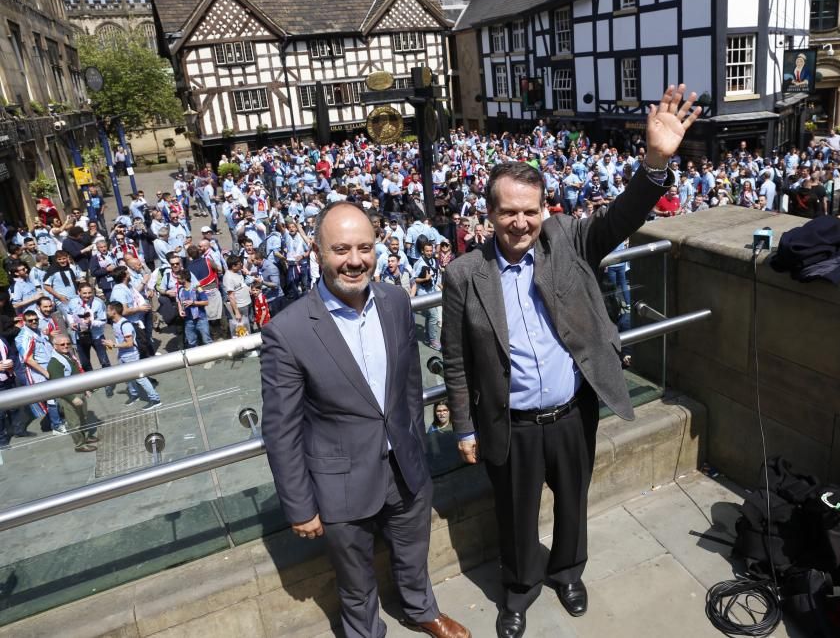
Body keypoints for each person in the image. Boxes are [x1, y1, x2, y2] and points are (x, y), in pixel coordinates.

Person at [441, 85, 700, 638]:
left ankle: (568, 572)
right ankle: (519, 590)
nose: (520, 222)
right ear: (489, 214)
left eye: (530, 211)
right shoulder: (464, 274)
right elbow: (456, 358)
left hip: (570, 413)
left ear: (544, 211)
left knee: (573, 504)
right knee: (514, 516)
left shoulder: (568, 241)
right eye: (509, 211)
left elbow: (619, 219)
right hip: (510, 423)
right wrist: (463, 425)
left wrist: (654, 162)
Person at [260, 202, 470, 638]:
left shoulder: (395, 301)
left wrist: (413, 441)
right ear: (317, 253)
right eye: (340, 249)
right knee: (355, 580)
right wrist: (301, 506)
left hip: (405, 466)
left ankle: (420, 609)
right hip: (340, 481)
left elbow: (409, 385)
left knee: (414, 551)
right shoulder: (289, 330)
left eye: (364, 248)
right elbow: (281, 429)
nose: (354, 261)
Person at [47, 334, 101, 453]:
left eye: (68, 343)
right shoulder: (54, 363)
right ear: (55, 346)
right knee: (74, 422)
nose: (66, 346)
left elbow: (76, 373)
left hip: (78, 392)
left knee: (83, 417)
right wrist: (72, 398)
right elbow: (58, 386)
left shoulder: (68, 356)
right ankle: (80, 444)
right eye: (62, 344)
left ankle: (85, 437)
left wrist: (85, 388)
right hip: (69, 397)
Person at [105, 301, 161, 409]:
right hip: (122, 354)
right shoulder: (115, 323)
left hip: (131, 355)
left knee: (141, 378)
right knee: (127, 377)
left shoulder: (125, 325)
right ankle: (134, 394)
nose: (106, 312)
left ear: (114, 311)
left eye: (108, 310)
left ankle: (155, 399)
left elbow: (129, 344)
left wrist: (114, 345)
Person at [177, 274, 211, 347]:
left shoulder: (197, 288)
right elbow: (179, 301)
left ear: (184, 279)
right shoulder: (180, 290)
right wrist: (180, 310)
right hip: (188, 320)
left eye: (179, 278)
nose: (177, 280)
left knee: (206, 340)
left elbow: (206, 302)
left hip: (200, 319)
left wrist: (193, 303)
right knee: (191, 342)